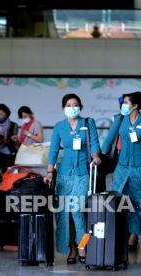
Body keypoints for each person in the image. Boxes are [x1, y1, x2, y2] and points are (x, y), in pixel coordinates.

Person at [45, 93, 101, 264]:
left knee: (77, 210)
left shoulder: (87, 122)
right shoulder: (59, 126)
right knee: (64, 214)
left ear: (80, 106)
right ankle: (71, 248)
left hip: (83, 173)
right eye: (68, 105)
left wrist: (96, 156)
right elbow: (54, 150)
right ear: (63, 108)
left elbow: (95, 143)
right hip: (64, 175)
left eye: (75, 104)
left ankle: (82, 245)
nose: (72, 107)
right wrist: (49, 171)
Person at [102, 91, 141, 250]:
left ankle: (134, 234)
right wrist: (98, 156)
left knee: (138, 200)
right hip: (122, 167)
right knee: (119, 199)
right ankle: (122, 230)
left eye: (126, 102)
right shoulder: (119, 119)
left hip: (140, 167)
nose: (123, 105)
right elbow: (108, 141)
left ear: (135, 105)